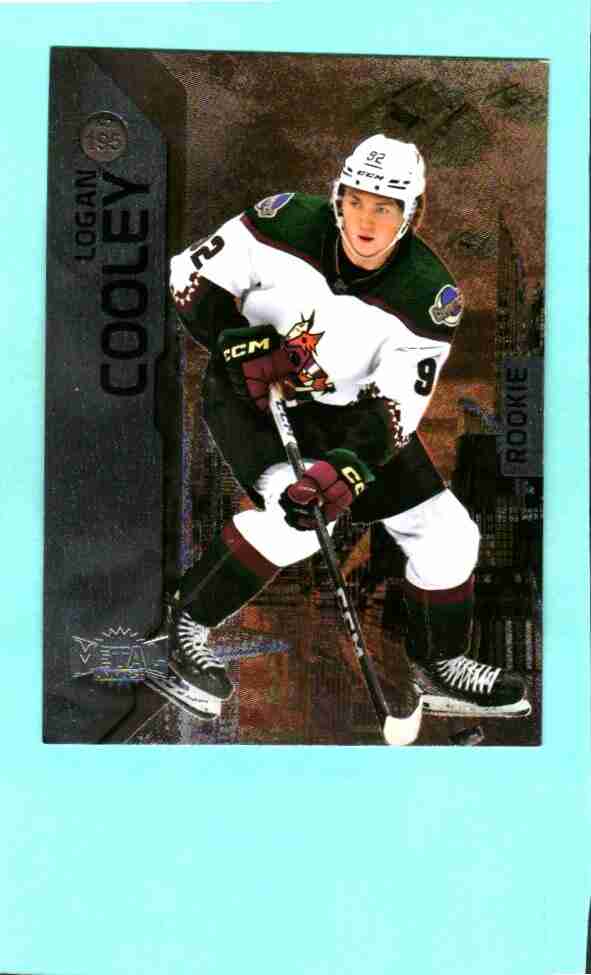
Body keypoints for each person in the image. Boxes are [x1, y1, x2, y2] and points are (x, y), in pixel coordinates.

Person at [152, 133, 530, 741]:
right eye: (356, 200)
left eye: (385, 207)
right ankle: (185, 621)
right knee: (301, 522)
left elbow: (394, 409)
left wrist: (345, 469)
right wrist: (231, 338)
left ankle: (438, 663)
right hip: (253, 398)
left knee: (450, 533)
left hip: (353, 417)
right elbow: (187, 274)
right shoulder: (282, 221)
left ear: (411, 214)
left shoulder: (430, 296)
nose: (366, 220)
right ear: (337, 198)